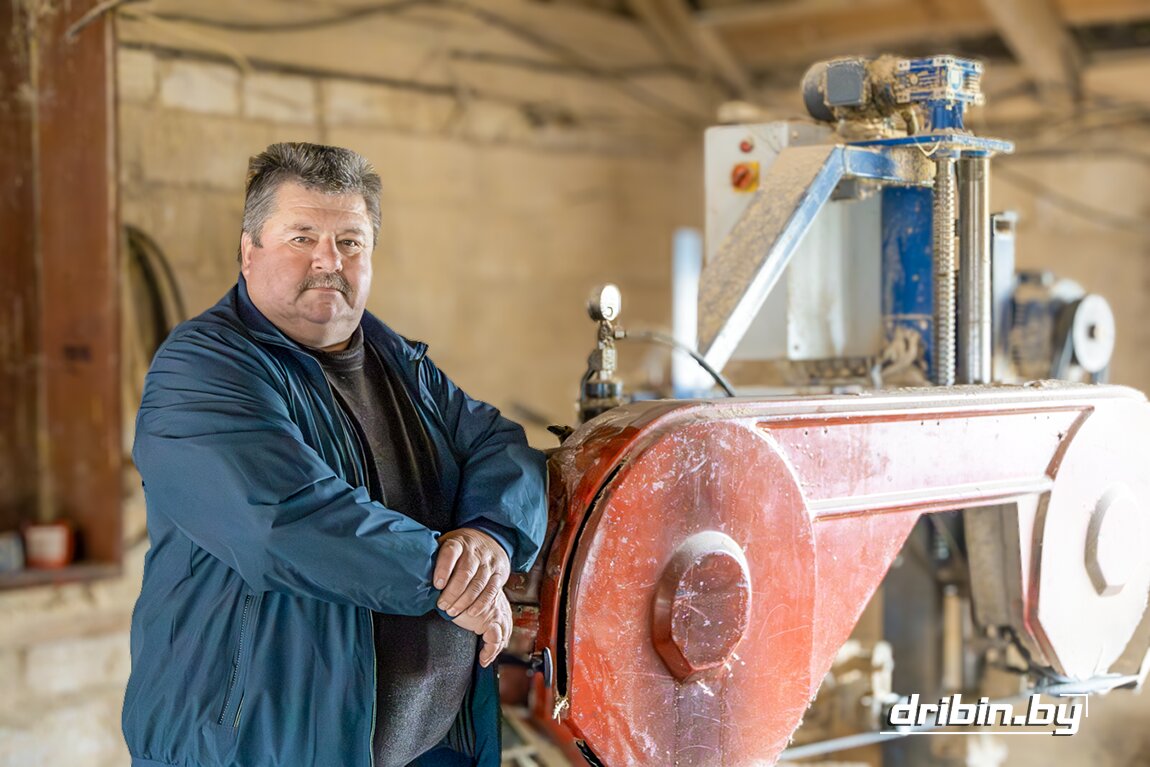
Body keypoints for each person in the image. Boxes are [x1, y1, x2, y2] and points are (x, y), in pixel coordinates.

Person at [122, 142, 548, 767]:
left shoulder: (398, 363)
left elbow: (501, 444)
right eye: (302, 237)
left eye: (350, 241)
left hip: (431, 748)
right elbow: (284, 521)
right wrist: (456, 580)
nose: (329, 260)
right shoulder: (201, 369)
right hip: (258, 747)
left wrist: (490, 537)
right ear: (249, 250)